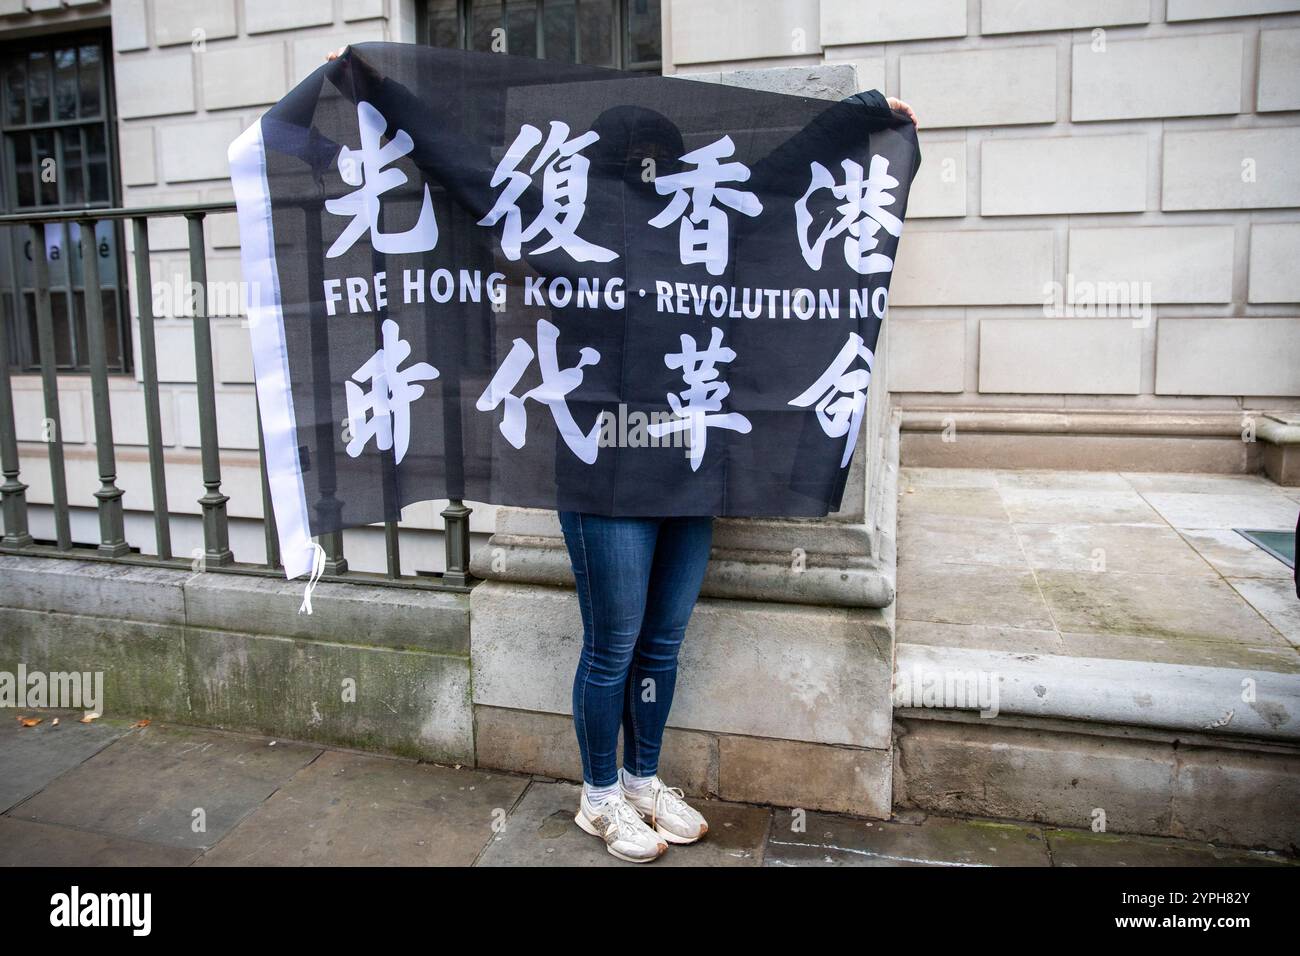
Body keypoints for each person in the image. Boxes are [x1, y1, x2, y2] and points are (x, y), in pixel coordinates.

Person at [325, 44, 917, 863]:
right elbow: (463, 165)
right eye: (634, 161)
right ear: (598, 167)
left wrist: (864, 114)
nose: (647, 171)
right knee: (612, 646)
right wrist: (374, 85)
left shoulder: (708, 216)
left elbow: (781, 172)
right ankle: (596, 796)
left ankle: (641, 778)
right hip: (603, 471)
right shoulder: (558, 217)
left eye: (659, 161)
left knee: (662, 643)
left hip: (690, 462)